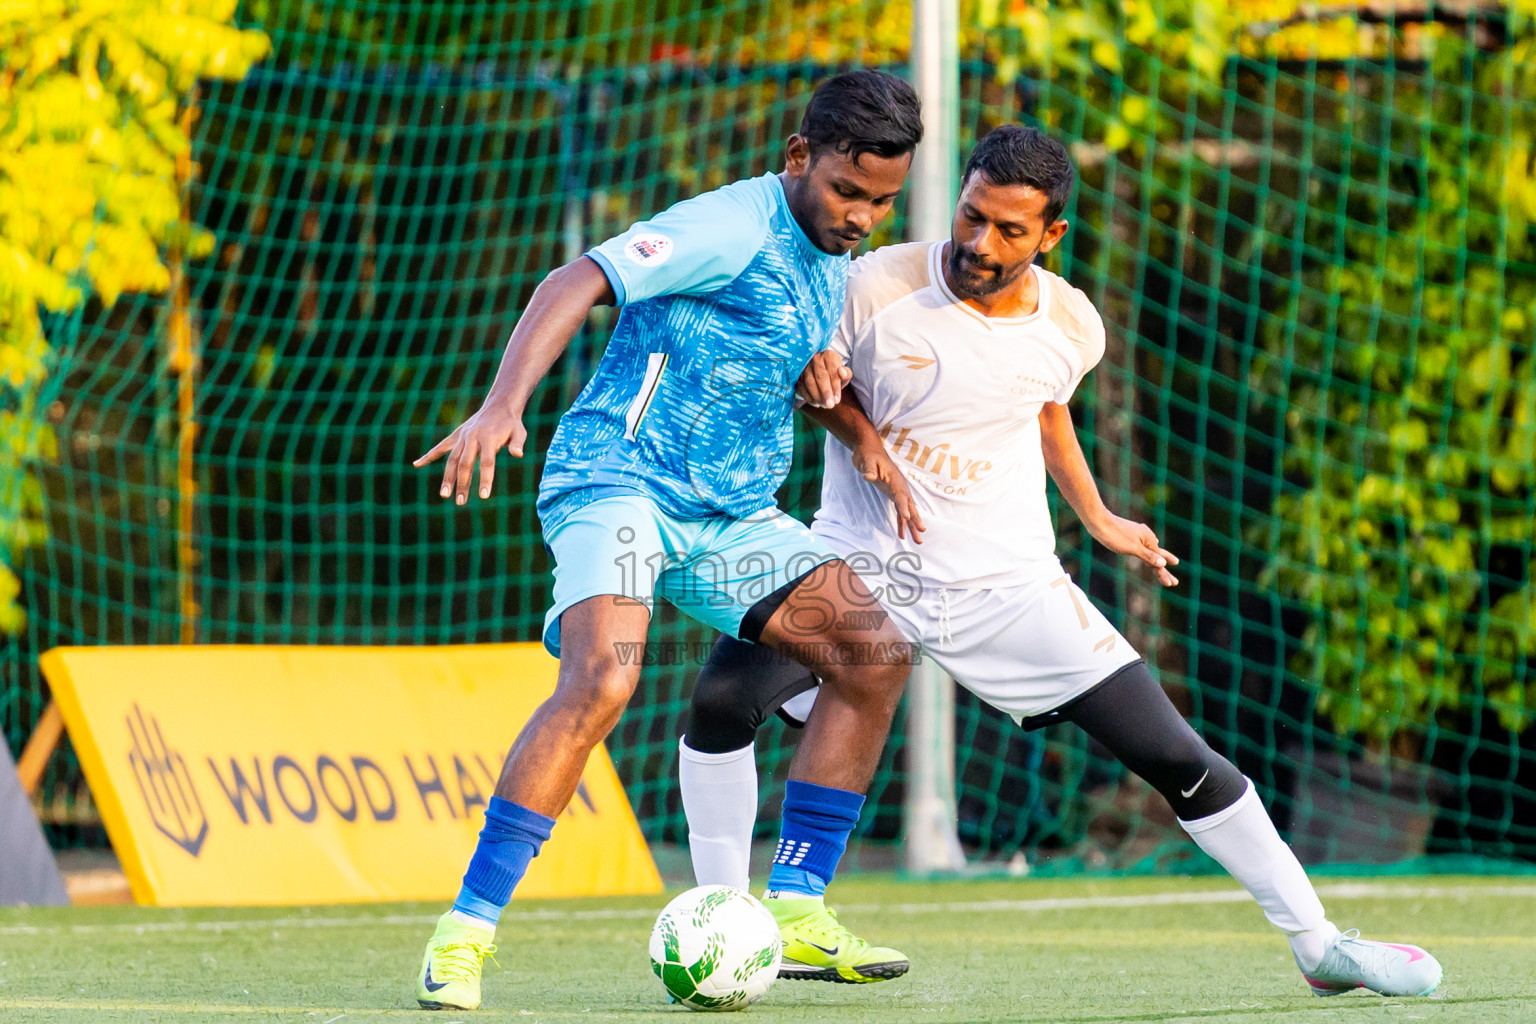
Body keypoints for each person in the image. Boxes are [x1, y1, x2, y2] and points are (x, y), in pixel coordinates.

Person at [679, 124, 1444, 999]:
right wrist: (859, 434)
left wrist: (1099, 515)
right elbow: (814, 379)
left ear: (1051, 235)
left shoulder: (1073, 322)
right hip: (862, 563)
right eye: (971, 216)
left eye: (1009, 230)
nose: (979, 242)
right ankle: (733, 926)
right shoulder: (874, 284)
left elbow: (1046, 408)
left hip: (1009, 586)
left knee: (1181, 758)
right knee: (722, 699)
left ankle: (1319, 945)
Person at [408, 71, 924, 1011]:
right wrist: (501, 405)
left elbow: (773, 354)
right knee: (604, 680)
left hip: (730, 515)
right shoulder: (728, 225)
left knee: (875, 653)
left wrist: (848, 420)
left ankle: (797, 909)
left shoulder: (830, 255)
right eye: (848, 191)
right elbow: (575, 279)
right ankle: (465, 933)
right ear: (798, 157)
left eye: (883, 202)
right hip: (620, 482)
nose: (861, 217)